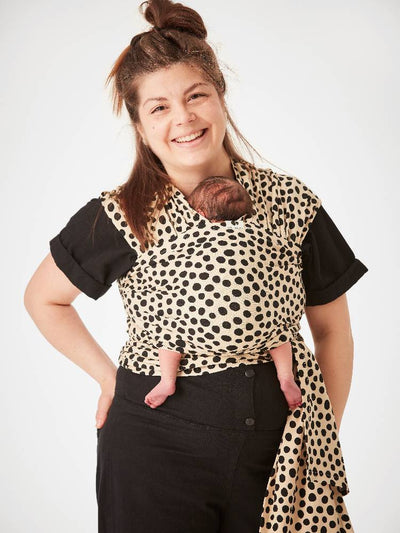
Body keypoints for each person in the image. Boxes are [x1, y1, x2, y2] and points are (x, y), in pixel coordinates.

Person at [23, 0, 368, 531]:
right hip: (152, 449)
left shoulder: (291, 202)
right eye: (158, 107)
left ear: (221, 97)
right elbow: (43, 298)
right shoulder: (123, 214)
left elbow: (332, 330)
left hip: (276, 451)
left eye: (196, 95)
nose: (182, 118)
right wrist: (110, 379)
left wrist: (321, 435)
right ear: (140, 126)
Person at [144, 175, 303, 411]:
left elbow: (162, 261)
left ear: (200, 213)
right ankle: (286, 378)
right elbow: (287, 256)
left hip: (199, 329)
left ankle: (167, 381)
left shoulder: (191, 237)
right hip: (258, 328)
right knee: (280, 334)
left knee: (170, 334)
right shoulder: (262, 236)